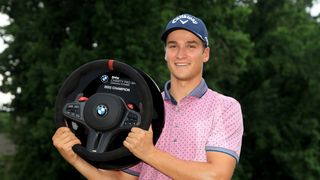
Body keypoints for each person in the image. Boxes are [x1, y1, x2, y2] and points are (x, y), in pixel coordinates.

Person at [52, 13, 243, 180]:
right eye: (173, 46)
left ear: (205, 53)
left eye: (191, 46)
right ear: (165, 53)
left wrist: (149, 153)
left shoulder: (225, 107)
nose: (181, 54)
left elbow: (216, 176)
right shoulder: (146, 108)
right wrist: (75, 158)